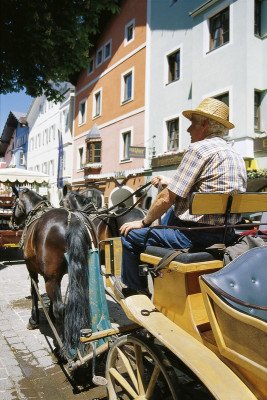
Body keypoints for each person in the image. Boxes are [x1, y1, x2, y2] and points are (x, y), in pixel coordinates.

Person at [114, 98, 247, 299]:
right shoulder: (235, 155)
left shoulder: (199, 149)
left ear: (204, 124)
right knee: (172, 218)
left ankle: (135, 290)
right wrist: (170, 180)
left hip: (196, 237)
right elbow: (205, 187)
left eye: (192, 123)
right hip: (226, 234)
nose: (188, 130)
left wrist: (143, 222)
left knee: (130, 235)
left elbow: (164, 200)